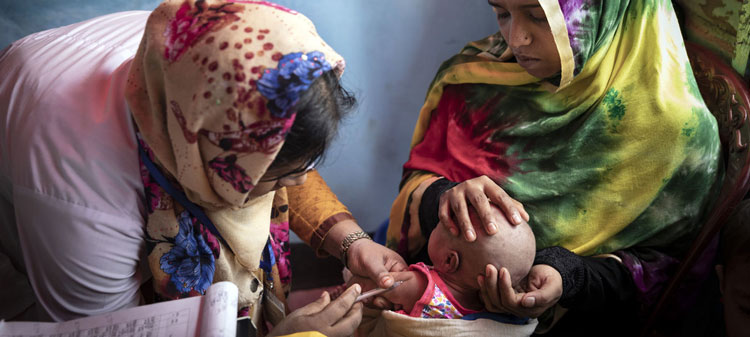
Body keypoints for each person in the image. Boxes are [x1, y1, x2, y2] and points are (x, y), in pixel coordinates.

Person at [0, 1, 406, 336]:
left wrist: (352, 242)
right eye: (281, 177)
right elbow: (111, 329)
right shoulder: (86, 205)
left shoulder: (208, 57)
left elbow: (280, 156)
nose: (298, 181)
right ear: (208, 158)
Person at [387, 0, 723, 334]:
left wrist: (570, 276)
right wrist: (445, 199)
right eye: (502, 13)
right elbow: (417, 179)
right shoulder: (476, 79)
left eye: (537, 15)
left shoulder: (677, 137)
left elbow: (669, 271)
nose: (516, 38)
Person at [352, 205, 539, 337]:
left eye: (439, 225)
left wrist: (353, 283)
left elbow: (368, 285)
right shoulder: (506, 313)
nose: (435, 224)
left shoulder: (420, 285)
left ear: (450, 260)